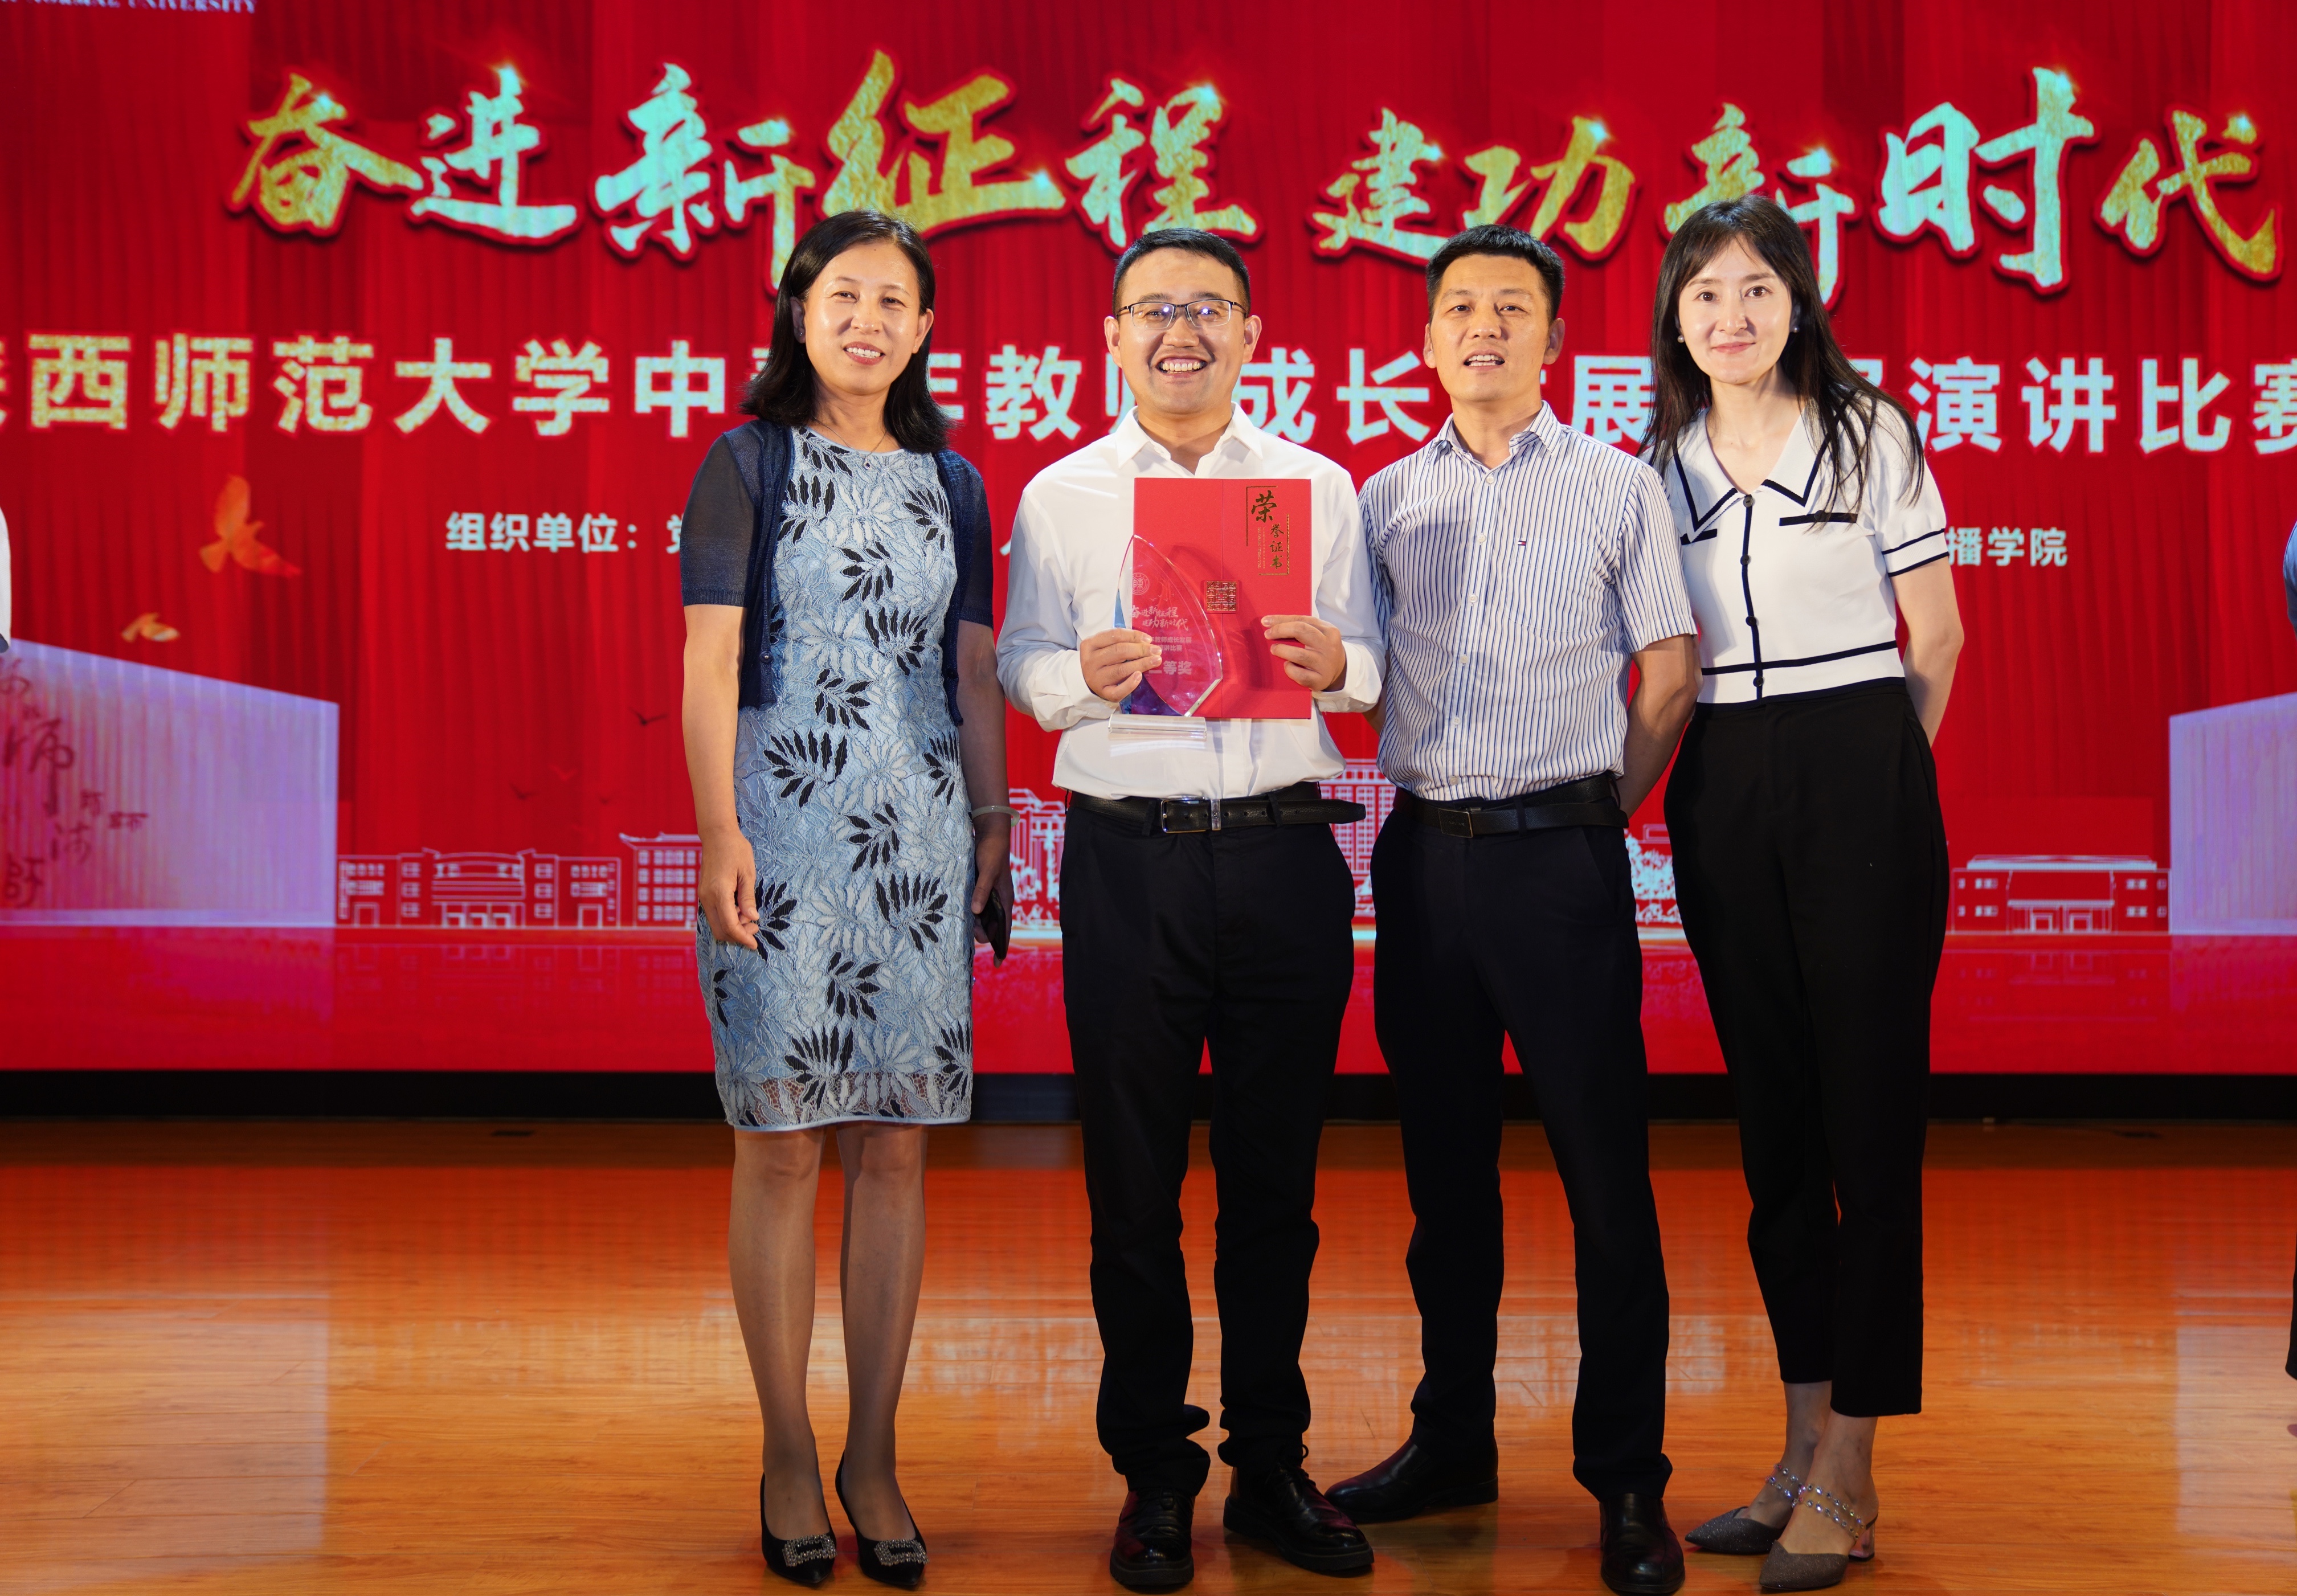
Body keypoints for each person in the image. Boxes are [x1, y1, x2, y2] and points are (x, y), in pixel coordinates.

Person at [996, 227, 1383, 1589]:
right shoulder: (1062, 494)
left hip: (1283, 857)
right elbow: (1021, 657)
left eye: (1210, 308)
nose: (1183, 331)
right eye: (1154, 309)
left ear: (1252, 335)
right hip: (1130, 863)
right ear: (1111, 337)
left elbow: (1372, 660)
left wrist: (1338, 663)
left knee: (1276, 1185)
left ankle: (1271, 1463)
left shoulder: (1316, 487)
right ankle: (1155, 1473)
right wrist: (1078, 676)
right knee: (1133, 1185)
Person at [1325, 224, 1699, 1596]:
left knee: (1606, 1180)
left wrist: (1600, 813)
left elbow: (1669, 675)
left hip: (1561, 862)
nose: (1484, 327)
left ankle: (1629, 1480)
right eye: (1461, 308)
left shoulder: (1617, 486)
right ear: (1426, 341)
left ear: (1555, 340)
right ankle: (1453, 1444)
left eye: (1512, 308)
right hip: (1425, 863)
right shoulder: (1379, 499)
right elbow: (1353, 677)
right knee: (1444, 1186)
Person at [677, 209, 1009, 1590]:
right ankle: (788, 1452)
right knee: (781, 1146)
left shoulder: (956, 483)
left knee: (897, 1148)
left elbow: (972, 671)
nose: (867, 321)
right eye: (842, 297)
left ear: (925, 328)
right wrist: (717, 831)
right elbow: (709, 665)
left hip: (918, 846)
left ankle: (874, 1456)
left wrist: (995, 822)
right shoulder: (746, 462)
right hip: (780, 839)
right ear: (798, 313)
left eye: (892, 301)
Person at [1642, 196, 1962, 1595]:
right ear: (1675, 317)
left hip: (1859, 763)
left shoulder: (1868, 430)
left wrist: (1879, 787)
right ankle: (1794, 1451)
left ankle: (1855, 1466)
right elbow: (1663, 661)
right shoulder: (1658, 463)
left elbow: (1935, 637)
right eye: (1706, 292)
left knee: (1867, 1134)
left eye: (1758, 288)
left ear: (1797, 303)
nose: (1733, 314)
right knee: (1774, 1137)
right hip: (1724, 773)